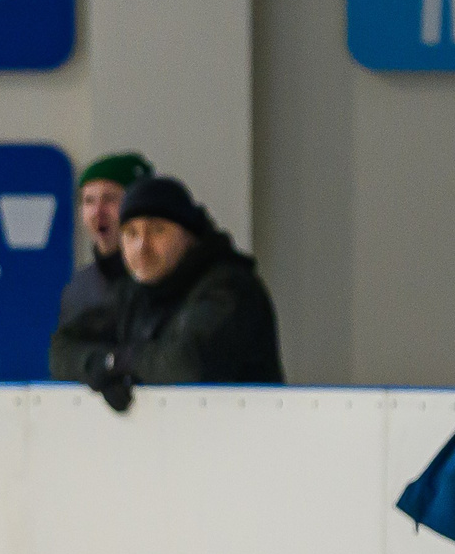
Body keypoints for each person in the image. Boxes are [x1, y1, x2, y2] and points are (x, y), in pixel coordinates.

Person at [53, 175, 285, 411]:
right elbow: (62, 349)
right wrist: (100, 366)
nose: (142, 247)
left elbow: (186, 364)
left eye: (158, 231)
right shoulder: (132, 292)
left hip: (242, 437)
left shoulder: (229, 288)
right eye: (131, 233)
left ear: (189, 237)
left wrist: (119, 362)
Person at [53, 151, 153, 335]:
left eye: (110, 199)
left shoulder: (163, 281)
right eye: (89, 201)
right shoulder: (80, 288)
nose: (98, 211)